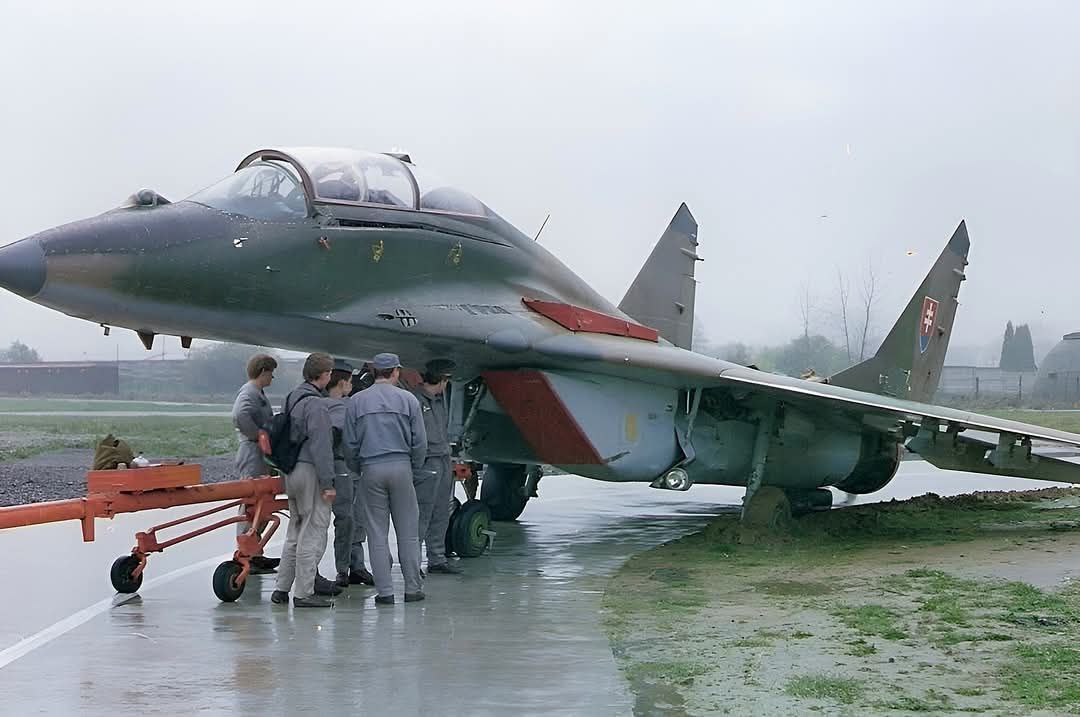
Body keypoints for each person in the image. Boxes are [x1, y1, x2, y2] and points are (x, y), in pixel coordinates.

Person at [344, 352, 427, 605]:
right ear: (396, 371)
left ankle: (385, 592)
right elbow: (420, 442)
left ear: (373, 371)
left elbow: (349, 444)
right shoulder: (408, 399)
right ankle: (412, 589)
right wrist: (413, 467)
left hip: (370, 468)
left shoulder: (356, 401)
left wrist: (358, 468)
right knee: (408, 532)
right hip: (401, 466)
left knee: (377, 533)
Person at [271, 353, 340, 608]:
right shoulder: (317, 405)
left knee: (295, 531)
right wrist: (328, 483)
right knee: (313, 530)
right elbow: (322, 446)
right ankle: (303, 593)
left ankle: (281, 589)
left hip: (290, 470)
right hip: (310, 470)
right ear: (325, 375)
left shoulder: (292, 397)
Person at [325, 358, 375, 588]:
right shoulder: (338, 406)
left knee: (356, 517)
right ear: (342, 381)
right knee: (346, 519)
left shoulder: (339, 404)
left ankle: (355, 566)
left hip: (349, 466)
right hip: (342, 465)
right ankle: (344, 568)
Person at [411, 359, 462, 575]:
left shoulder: (440, 401)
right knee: (422, 513)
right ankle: (413, 562)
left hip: (442, 458)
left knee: (441, 511)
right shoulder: (414, 401)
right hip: (426, 460)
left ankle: (437, 558)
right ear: (442, 380)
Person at [231, 353, 279, 573]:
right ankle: (246, 554)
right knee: (251, 504)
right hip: (252, 453)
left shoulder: (256, 392)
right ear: (263, 372)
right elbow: (239, 416)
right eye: (270, 373)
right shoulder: (249, 392)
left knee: (262, 504)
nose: (272, 377)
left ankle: (255, 551)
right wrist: (257, 435)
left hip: (258, 453)